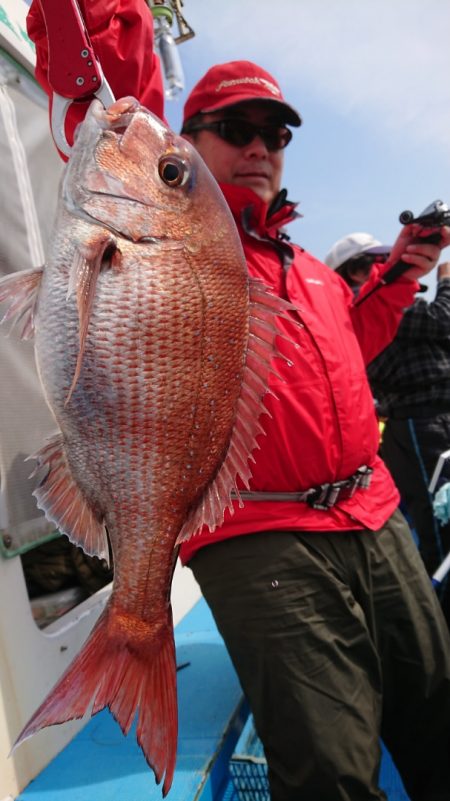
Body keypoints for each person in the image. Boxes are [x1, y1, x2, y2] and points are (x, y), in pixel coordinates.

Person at [27, 3, 450, 799]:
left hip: (373, 508)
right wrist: (113, 23)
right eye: (235, 126)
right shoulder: (190, 236)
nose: (259, 146)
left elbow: (352, 346)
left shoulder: (311, 268)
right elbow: (116, 96)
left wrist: (400, 270)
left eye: (277, 133)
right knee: (328, 768)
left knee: (436, 706)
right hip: (259, 529)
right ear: (189, 136)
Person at [326, 233, 450, 629]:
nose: (382, 271)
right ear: (350, 276)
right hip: (418, 422)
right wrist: (445, 280)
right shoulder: (380, 309)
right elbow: (443, 319)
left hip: (430, 420)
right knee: (437, 528)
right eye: (370, 264)